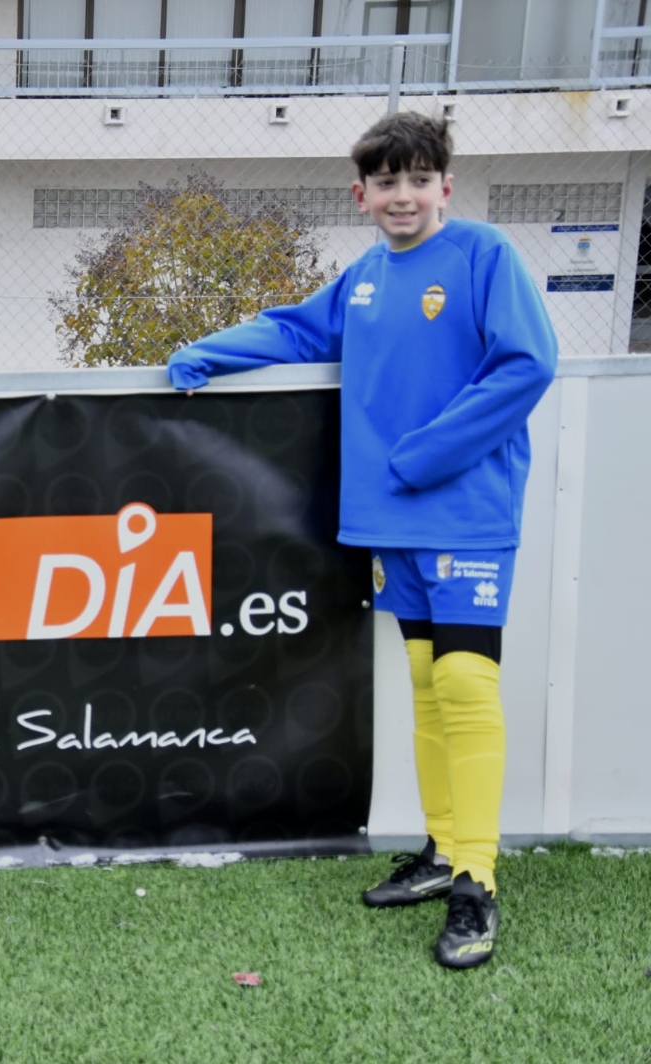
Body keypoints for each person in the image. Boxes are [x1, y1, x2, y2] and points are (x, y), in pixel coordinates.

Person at [167, 112, 557, 969]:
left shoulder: (485, 256)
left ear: (446, 187)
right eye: (387, 182)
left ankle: (477, 883)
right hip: (391, 522)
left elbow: (527, 364)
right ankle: (442, 849)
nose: (403, 195)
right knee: (422, 680)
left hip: (466, 513)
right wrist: (203, 352)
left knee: (464, 680)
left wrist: (423, 455)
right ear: (362, 195)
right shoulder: (367, 279)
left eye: (419, 179)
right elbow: (297, 331)